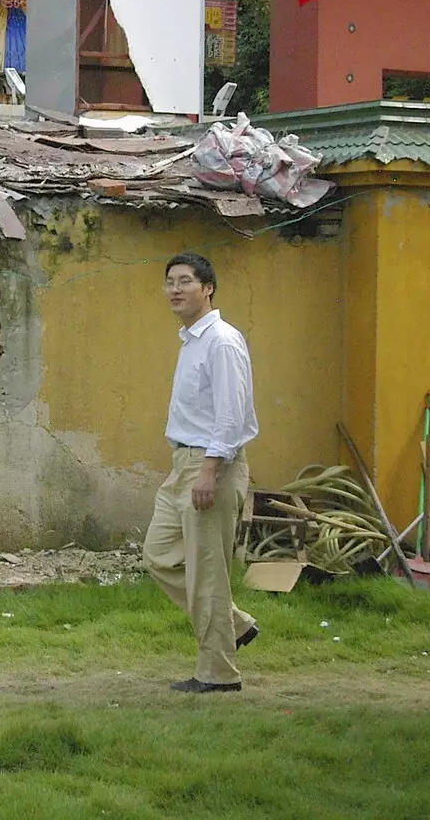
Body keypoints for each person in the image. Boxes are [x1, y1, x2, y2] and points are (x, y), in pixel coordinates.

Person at [144, 252, 260, 693]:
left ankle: (218, 674)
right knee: (159, 555)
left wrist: (209, 471)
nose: (175, 289)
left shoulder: (222, 342)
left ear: (207, 288)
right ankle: (235, 624)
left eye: (185, 281)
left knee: (208, 572)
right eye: (170, 281)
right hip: (183, 463)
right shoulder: (192, 340)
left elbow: (231, 415)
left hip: (212, 464)